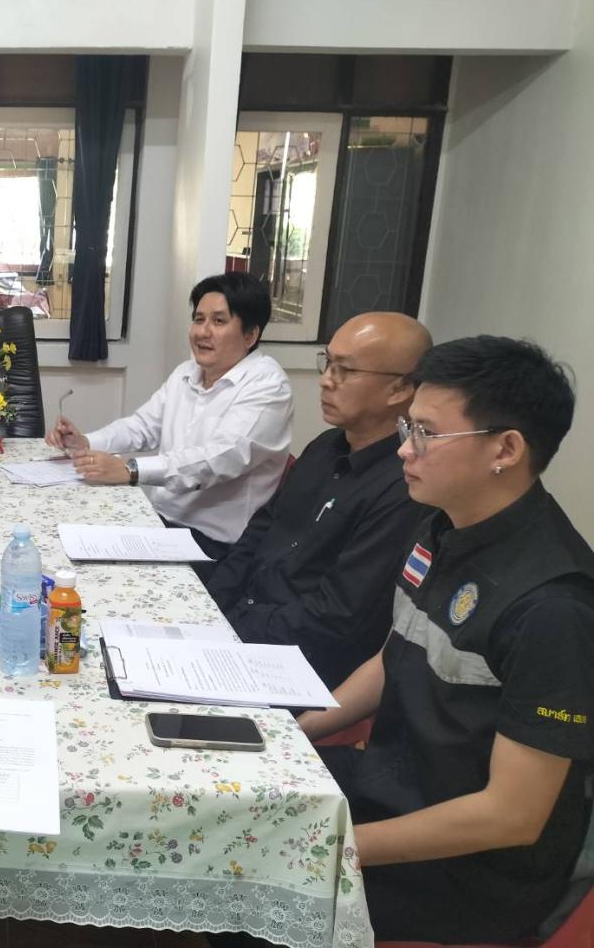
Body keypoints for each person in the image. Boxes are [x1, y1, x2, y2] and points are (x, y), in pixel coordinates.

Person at [299, 336, 594, 943]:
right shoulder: (442, 525)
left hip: (467, 870)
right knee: (239, 797)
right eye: (409, 427)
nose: (404, 449)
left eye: (427, 434)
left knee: (248, 884)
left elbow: (511, 816)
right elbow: (393, 655)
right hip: (391, 784)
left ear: (505, 449)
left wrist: (334, 847)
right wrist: (293, 733)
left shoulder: (554, 607)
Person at [205, 312, 433, 689]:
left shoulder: (404, 487)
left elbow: (336, 617)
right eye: (327, 363)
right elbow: (259, 531)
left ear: (400, 388)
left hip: (300, 663)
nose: (326, 380)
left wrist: (228, 627)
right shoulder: (325, 447)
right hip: (245, 622)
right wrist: (210, 604)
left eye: (345, 370)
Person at [45, 271, 292, 559]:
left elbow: (218, 459)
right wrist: (86, 442)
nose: (202, 332)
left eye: (218, 321)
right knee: (62, 538)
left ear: (250, 335)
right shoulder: (187, 372)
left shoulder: (268, 386)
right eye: (198, 319)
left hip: (216, 546)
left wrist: (131, 471)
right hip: (161, 523)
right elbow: (142, 426)